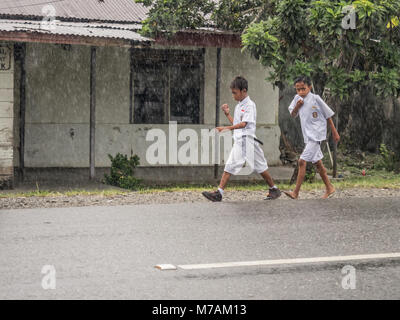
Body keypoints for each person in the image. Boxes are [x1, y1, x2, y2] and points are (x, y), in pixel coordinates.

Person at [202, 76, 281, 202]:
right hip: (241, 140)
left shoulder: (250, 105)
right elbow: (238, 123)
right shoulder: (239, 106)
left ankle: (273, 189)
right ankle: (219, 193)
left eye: (235, 93)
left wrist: (226, 128)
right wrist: (228, 114)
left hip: (247, 140)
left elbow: (244, 125)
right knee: (235, 166)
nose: (233, 96)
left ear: (244, 91)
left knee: (258, 166)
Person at [284, 76, 340, 200]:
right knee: (318, 163)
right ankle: (329, 188)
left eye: (303, 89)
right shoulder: (296, 99)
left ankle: (296, 192)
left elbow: (328, 115)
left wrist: (335, 132)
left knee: (302, 161)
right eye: (298, 90)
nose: (301, 92)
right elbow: (293, 114)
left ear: (309, 87)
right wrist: (298, 106)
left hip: (317, 135)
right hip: (308, 136)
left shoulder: (316, 99)